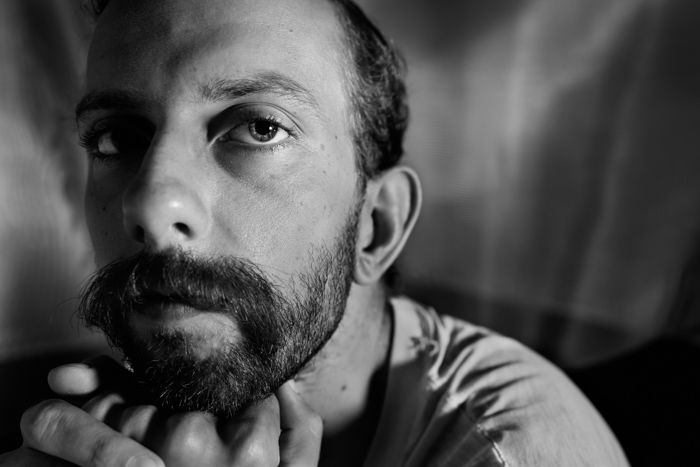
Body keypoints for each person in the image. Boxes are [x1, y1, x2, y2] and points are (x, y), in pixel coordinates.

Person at [0, 0, 629, 465]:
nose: (150, 203)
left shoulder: (513, 449)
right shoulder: (84, 427)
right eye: (116, 137)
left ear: (375, 227)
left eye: (259, 128)